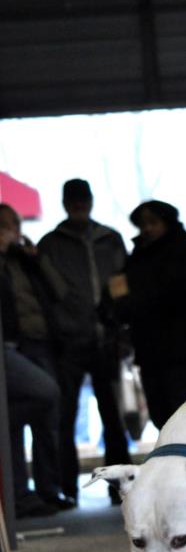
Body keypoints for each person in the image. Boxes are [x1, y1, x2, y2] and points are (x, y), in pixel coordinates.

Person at [38, 179, 130, 504]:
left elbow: (122, 285)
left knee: (113, 418)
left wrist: (121, 327)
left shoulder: (111, 240)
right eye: (73, 201)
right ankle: (68, 488)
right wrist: (57, 332)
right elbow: (46, 295)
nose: (79, 205)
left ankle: (119, 487)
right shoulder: (50, 245)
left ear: (90, 201)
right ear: (65, 204)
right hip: (68, 342)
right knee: (65, 417)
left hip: (107, 340)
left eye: (83, 200)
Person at [108, 200, 186, 429]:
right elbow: (120, 290)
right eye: (143, 224)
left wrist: (131, 302)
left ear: (167, 223)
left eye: (153, 223)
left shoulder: (181, 252)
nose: (147, 229)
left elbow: (167, 295)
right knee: (161, 413)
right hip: (151, 349)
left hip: (181, 349)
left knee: (182, 412)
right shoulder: (138, 256)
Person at [0, 204, 73, 516]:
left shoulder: (24, 260)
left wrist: (36, 260)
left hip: (39, 342)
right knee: (32, 404)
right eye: (9, 226)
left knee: (46, 417)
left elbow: (60, 292)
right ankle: (20, 492)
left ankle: (46, 489)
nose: (14, 232)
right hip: (15, 344)